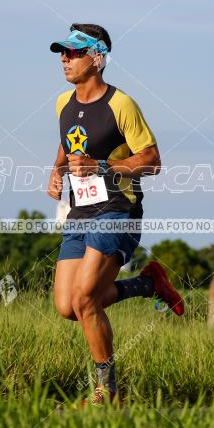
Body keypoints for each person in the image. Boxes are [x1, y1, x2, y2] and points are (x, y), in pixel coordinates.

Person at [46, 23, 185, 405]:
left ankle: (107, 390)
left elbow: (153, 162)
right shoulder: (62, 102)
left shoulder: (121, 105)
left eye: (74, 52)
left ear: (98, 57)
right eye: (63, 52)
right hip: (79, 212)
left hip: (118, 210)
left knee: (86, 298)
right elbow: (67, 145)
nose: (65, 58)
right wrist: (56, 172)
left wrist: (103, 167)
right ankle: (148, 284)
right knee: (67, 306)